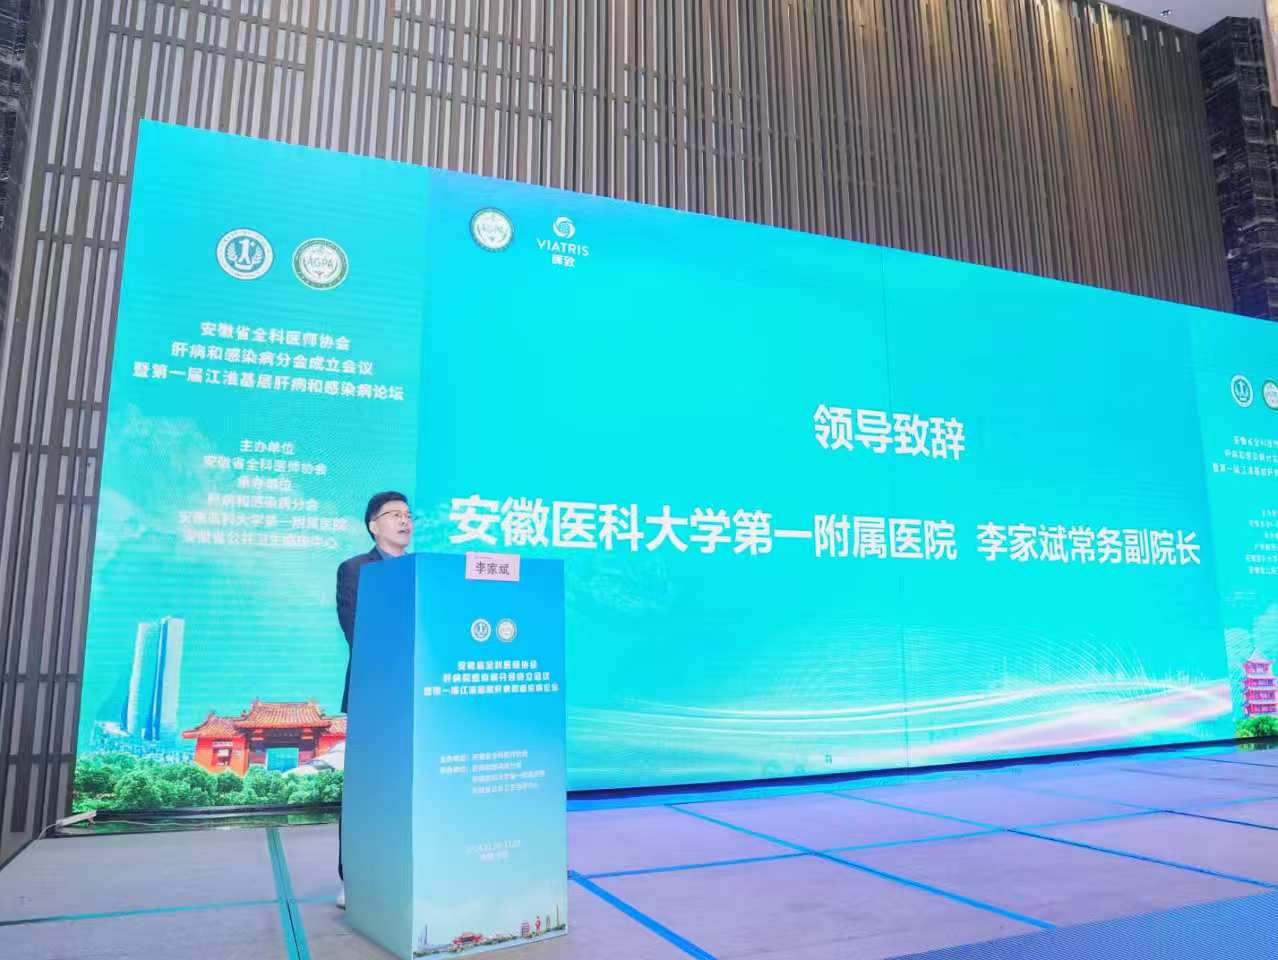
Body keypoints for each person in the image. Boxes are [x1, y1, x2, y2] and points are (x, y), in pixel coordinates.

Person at [334, 490, 413, 908]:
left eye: (408, 514)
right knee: (367, 791)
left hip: (420, 698)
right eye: (394, 514)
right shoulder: (355, 570)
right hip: (374, 696)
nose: (404, 520)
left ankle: (404, 871)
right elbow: (356, 630)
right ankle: (354, 877)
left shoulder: (423, 572)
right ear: (373, 525)